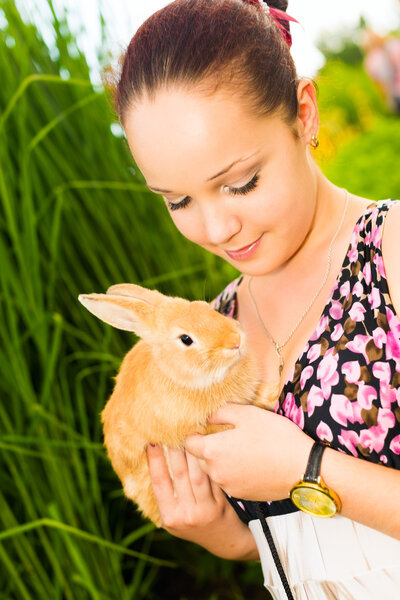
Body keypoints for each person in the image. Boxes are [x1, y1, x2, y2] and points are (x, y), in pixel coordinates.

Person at [109, 0, 400, 597]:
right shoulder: (217, 325)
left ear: (304, 114)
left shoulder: (388, 250)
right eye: (178, 201)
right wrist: (230, 535)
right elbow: (308, 548)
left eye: (240, 182)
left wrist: (308, 470)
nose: (216, 231)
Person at [362, 27, 400, 114]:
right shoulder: (371, 61)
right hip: (395, 94)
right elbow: (378, 83)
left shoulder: (394, 44)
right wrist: (387, 98)